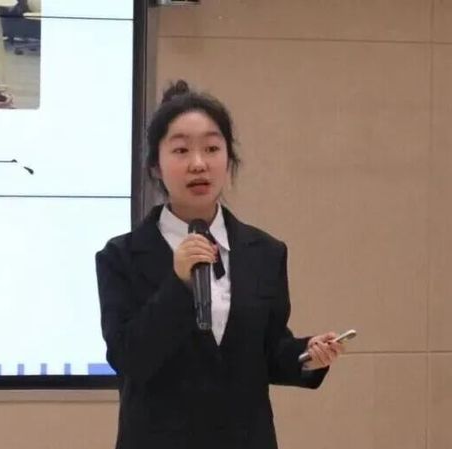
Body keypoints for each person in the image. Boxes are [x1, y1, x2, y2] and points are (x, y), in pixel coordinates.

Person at [96, 80, 344, 449]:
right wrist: (178, 284)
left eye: (212, 148)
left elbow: (267, 351)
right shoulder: (121, 256)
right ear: (155, 166)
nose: (198, 164)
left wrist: (308, 355)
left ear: (229, 160)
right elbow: (128, 358)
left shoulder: (265, 252)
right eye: (181, 150)